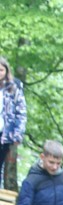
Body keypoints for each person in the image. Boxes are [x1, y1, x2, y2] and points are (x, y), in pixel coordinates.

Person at [0, 56, 27, 189]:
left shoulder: (14, 87)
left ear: (6, 71)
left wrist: (18, 134)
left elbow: (21, 112)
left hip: (5, 134)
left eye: (1, 70)